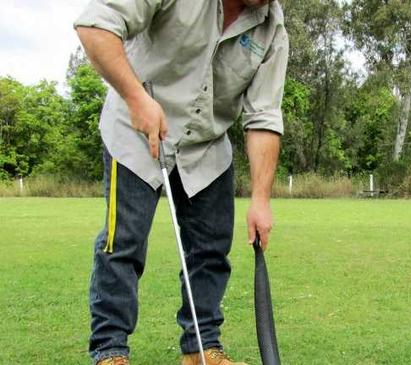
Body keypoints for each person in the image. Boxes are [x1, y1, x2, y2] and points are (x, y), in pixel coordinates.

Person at [74, 0, 288, 364]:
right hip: (136, 129)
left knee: (210, 251)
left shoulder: (272, 29)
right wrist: (135, 96)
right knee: (122, 243)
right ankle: (110, 350)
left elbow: (264, 117)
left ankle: (201, 347)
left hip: (206, 145)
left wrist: (260, 200)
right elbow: (95, 26)